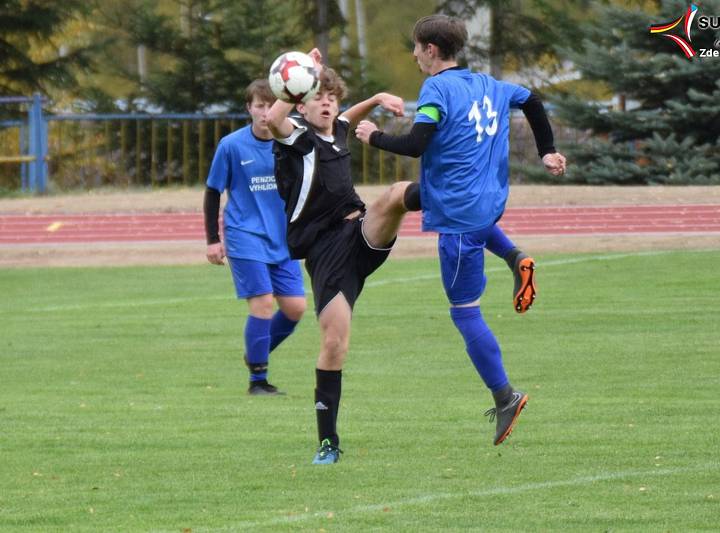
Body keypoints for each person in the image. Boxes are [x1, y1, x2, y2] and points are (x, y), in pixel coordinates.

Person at [354, 14, 567, 446]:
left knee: (464, 310)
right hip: (485, 199)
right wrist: (548, 151)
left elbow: (416, 143)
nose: (414, 55)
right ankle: (514, 257)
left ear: (431, 50)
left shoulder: (436, 89)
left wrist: (373, 136)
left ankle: (506, 395)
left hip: (457, 213)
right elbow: (533, 100)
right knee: (404, 194)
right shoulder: (489, 84)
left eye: (415, 47)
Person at [265, 49, 421, 465]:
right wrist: (302, 77)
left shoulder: (338, 130)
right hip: (325, 252)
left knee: (393, 195)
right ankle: (328, 442)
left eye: (331, 96)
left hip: (359, 233)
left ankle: (451, 194)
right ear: (303, 101)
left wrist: (380, 97)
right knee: (334, 344)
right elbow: (272, 121)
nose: (327, 102)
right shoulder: (296, 137)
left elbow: (350, 115)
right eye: (319, 96)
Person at [204, 80, 307, 396]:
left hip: (283, 238)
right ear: (248, 108)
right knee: (262, 303)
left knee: (295, 308)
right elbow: (212, 192)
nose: (265, 112)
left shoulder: (291, 141)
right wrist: (212, 238)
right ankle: (258, 380)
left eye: (270, 105)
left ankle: (256, 353)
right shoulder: (232, 146)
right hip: (244, 235)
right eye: (258, 106)